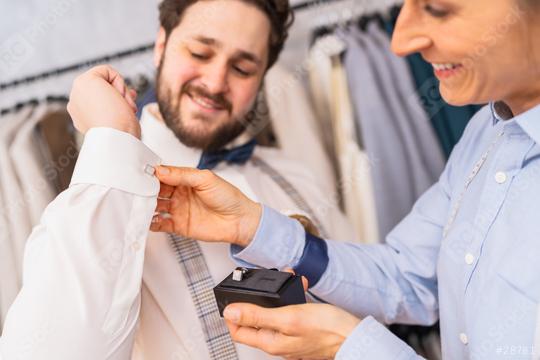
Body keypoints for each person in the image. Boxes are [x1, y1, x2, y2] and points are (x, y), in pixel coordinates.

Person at [149, 0, 540, 359]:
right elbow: (407, 275)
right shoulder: (486, 133)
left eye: (436, 8)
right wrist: (252, 227)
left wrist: (352, 346)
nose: (400, 40)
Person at [0, 1, 357, 359]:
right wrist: (115, 136)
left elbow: (364, 313)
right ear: (161, 45)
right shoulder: (104, 200)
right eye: (200, 52)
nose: (215, 82)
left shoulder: (300, 175)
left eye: (243, 68)